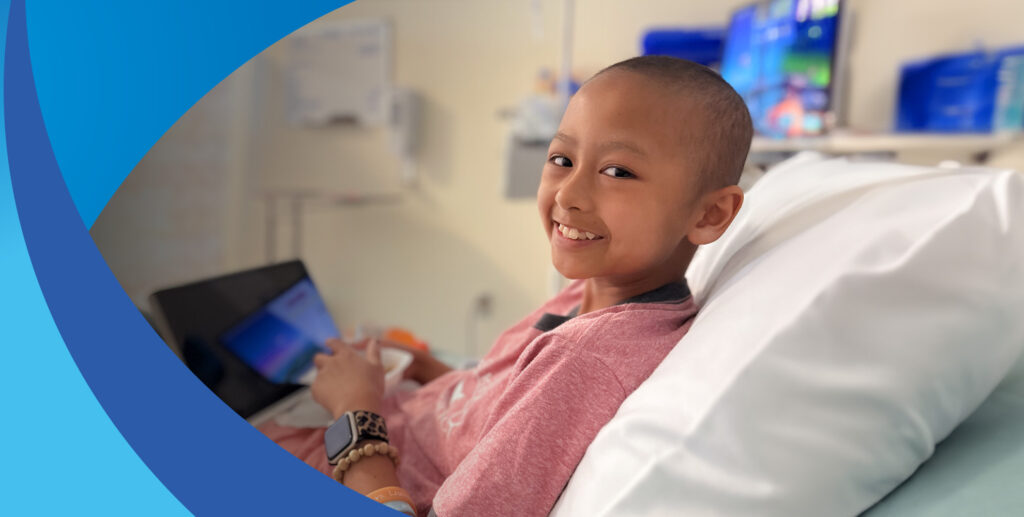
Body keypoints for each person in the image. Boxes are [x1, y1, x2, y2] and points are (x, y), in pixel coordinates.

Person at [260, 55, 753, 516]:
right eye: (562, 158)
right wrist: (428, 369)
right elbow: (501, 395)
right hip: (380, 422)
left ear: (709, 214)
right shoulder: (591, 292)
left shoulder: (586, 363)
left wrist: (354, 407)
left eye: (617, 171)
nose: (568, 193)